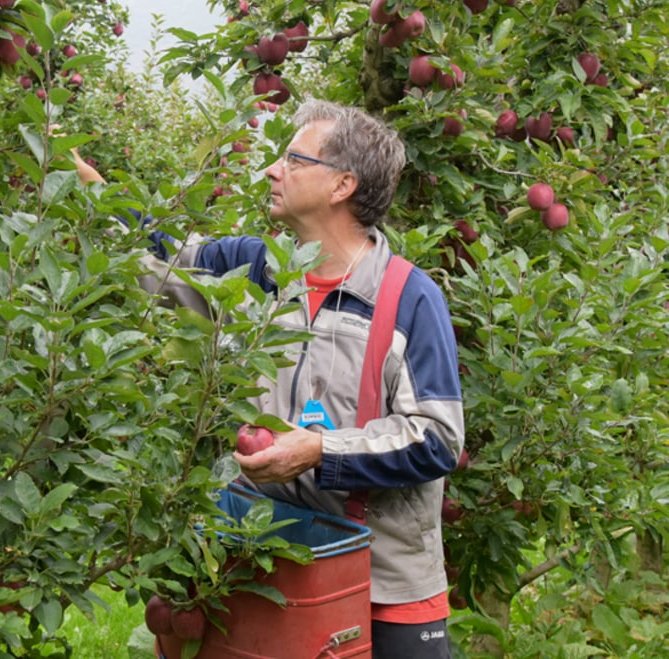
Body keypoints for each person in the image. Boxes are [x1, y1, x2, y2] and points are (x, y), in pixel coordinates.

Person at [72, 99, 465, 658]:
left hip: (385, 585)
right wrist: (91, 190)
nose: (273, 171)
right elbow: (163, 254)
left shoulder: (408, 298)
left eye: (293, 159)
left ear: (341, 185)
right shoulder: (258, 269)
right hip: (259, 565)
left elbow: (437, 438)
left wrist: (320, 451)